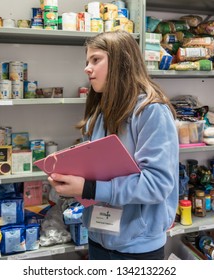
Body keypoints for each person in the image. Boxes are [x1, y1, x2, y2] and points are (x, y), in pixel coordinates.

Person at [48, 30, 179, 260]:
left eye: (96, 60)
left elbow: (158, 184)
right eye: (87, 61)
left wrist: (88, 188)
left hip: (137, 248)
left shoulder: (150, 111)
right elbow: (100, 172)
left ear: (121, 62)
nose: (87, 68)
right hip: (99, 238)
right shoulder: (101, 112)